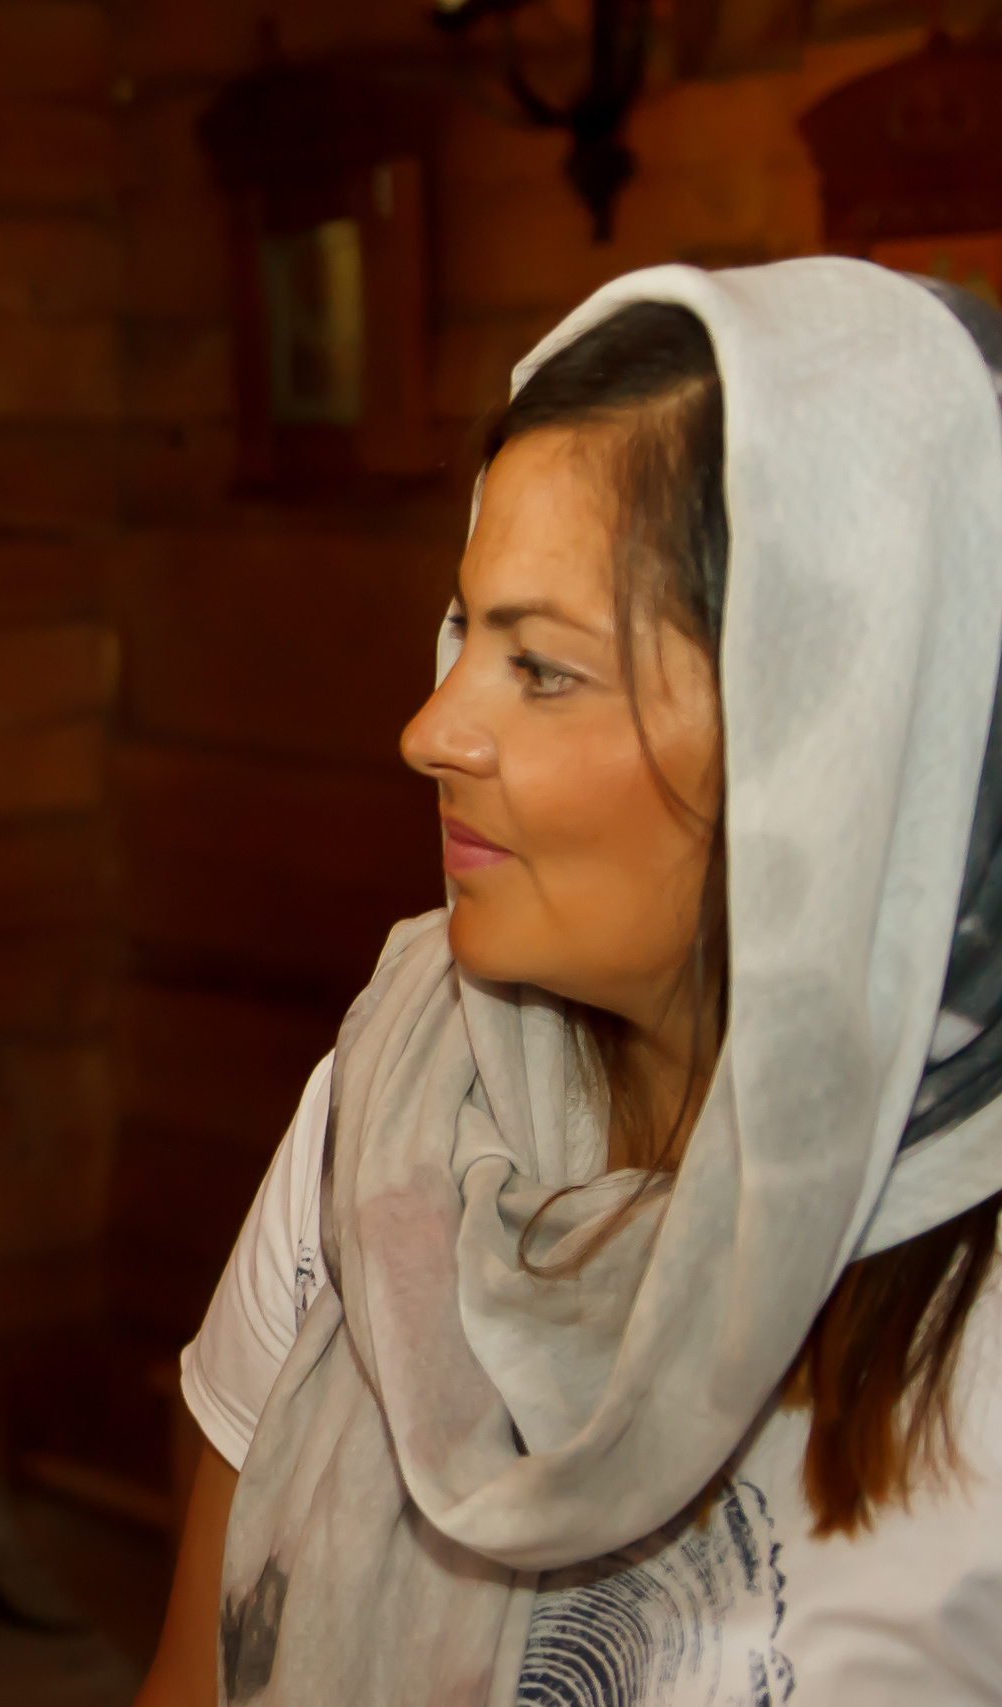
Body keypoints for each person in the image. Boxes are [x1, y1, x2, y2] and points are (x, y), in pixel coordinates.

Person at [137, 261, 1002, 1706]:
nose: (427, 727)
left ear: (825, 741)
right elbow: (190, 1672)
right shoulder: (395, 1093)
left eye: (541, 667)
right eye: (464, 628)